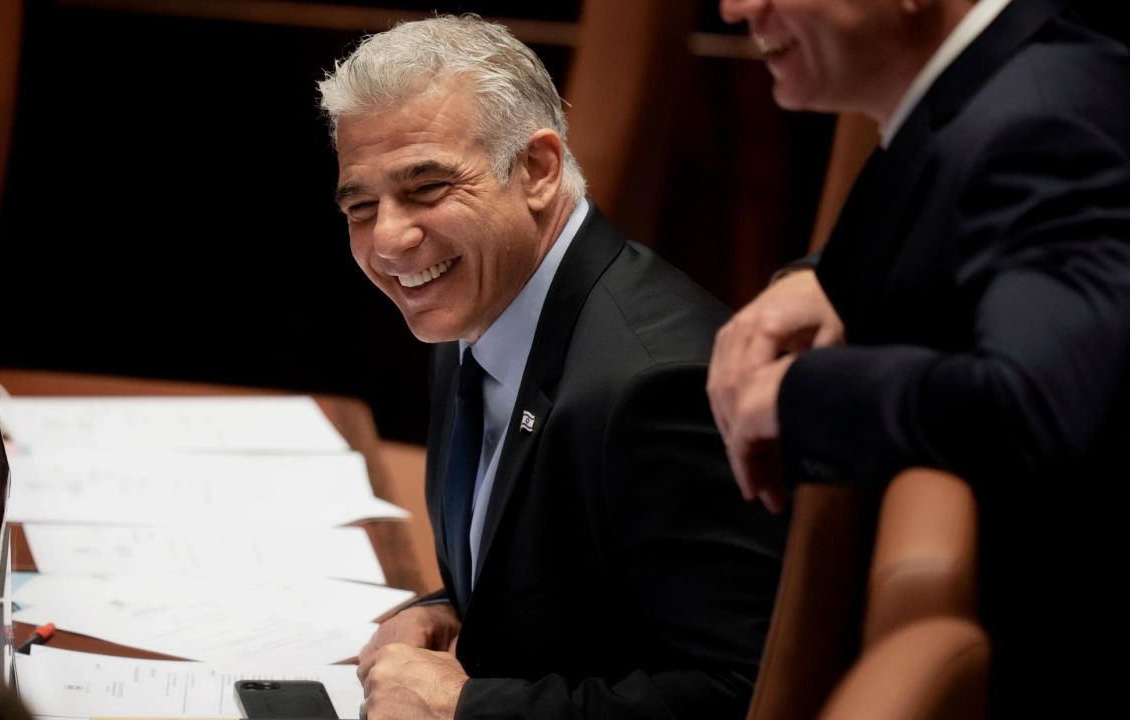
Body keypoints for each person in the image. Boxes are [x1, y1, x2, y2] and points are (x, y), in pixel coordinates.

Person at [318, 15, 785, 720]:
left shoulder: (657, 386)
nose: (389, 239)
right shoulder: (478, 300)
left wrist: (470, 706)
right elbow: (576, 578)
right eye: (361, 205)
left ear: (536, 169)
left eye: (427, 189)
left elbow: (741, 695)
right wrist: (444, 608)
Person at [711, 0, 1130, 711]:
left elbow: (1030, 408)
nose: (736, 8)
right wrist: (824, 276)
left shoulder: (1041, 119)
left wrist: (797, 395)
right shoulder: (972, 89)